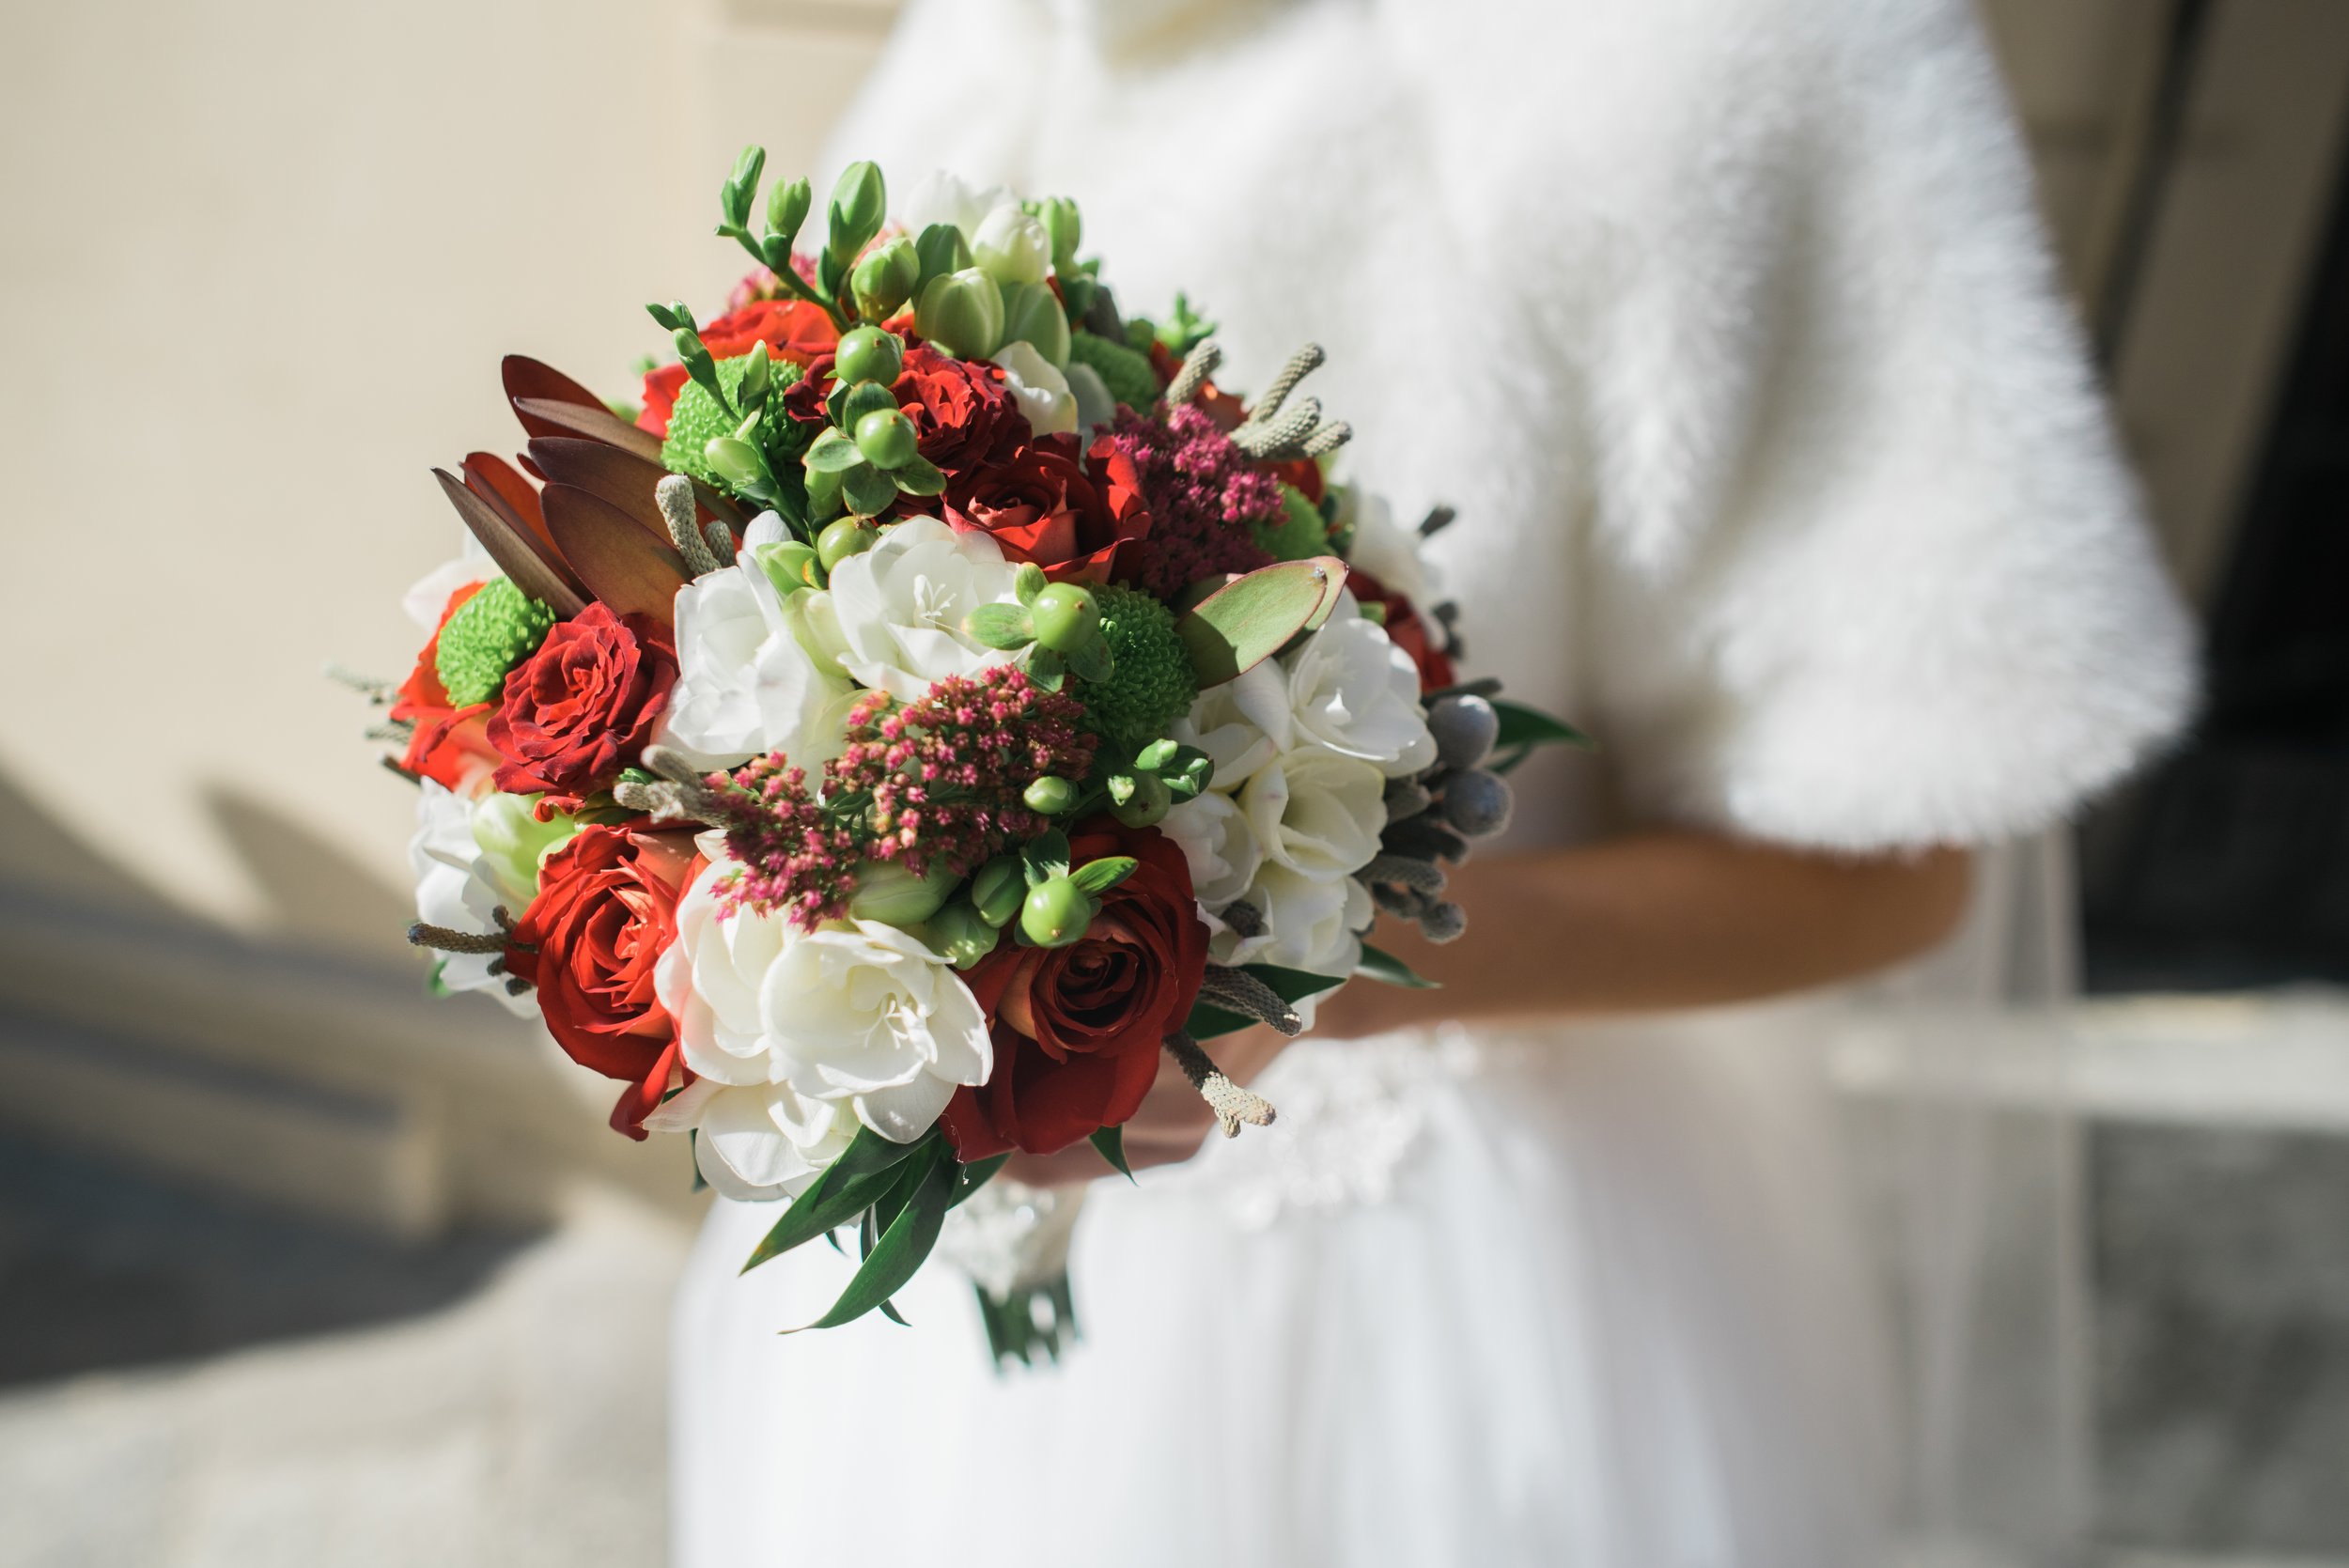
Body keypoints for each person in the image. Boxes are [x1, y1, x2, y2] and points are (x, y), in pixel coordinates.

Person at [670, 0, 2196, 1561]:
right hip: (932, 1289)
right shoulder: (1004, 44)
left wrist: (1294, 972)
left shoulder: (1737, 57)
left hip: (1462, 1305)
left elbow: (1895, 865)